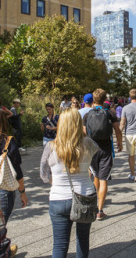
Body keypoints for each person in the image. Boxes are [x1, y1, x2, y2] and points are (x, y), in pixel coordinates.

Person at [40, 108, 99, 258]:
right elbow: (96, 169)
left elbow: (43, 174)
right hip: (85, 196)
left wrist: (55, 183)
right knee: (83, 239)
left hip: (58, 198)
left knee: (59, 244)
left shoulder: (51, 147)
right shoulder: (89, 144)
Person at [83, 88, 123, 220]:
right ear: (105, 99)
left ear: (93, 100)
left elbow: (83, 133)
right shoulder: (110, 114)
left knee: (95, 176)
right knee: (103, 179)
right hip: (106, 150)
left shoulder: (87, 115)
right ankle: (100, 211)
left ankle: (94, 207)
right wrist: (120, 143)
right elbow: (117, 130)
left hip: (92, 150)